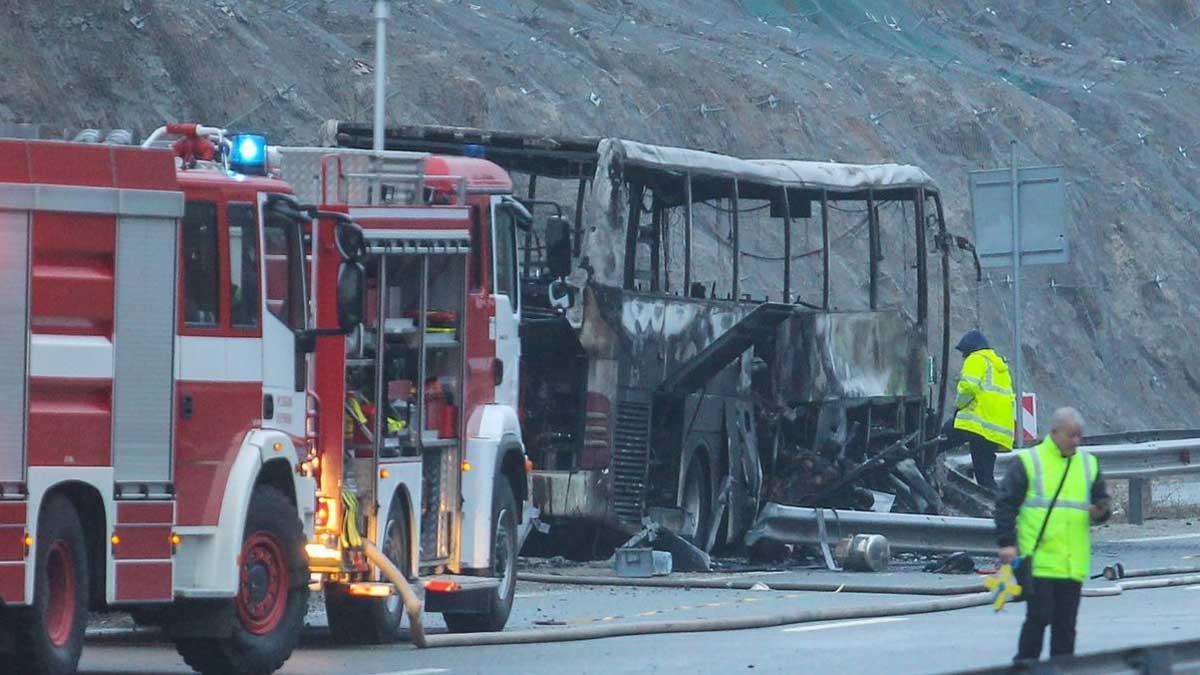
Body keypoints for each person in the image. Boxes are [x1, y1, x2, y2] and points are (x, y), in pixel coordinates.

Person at [996, 407, 1112, 662]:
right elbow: (1005, 503)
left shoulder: (1087, 464)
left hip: (1072, 563)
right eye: (1071, 435)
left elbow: (1103, 502)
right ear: (1054, 432)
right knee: (1038, 619)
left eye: (1079, 436)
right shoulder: (1030, 462)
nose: (1076, 441)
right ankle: (1026, 666)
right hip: (1038, 560)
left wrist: (1100, 512)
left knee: (1065, 629)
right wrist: (1007, 543)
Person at [940, 330, 1014, 488]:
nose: (963, 357)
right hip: (994, 430)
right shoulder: (999, 367)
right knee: (985, 478)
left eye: (964, 353)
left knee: (939, 440)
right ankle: (999, 507)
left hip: (976, 423)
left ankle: (924, 465)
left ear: (970, 349)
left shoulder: (976, 359)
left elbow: (968, 388)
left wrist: (958, 406)